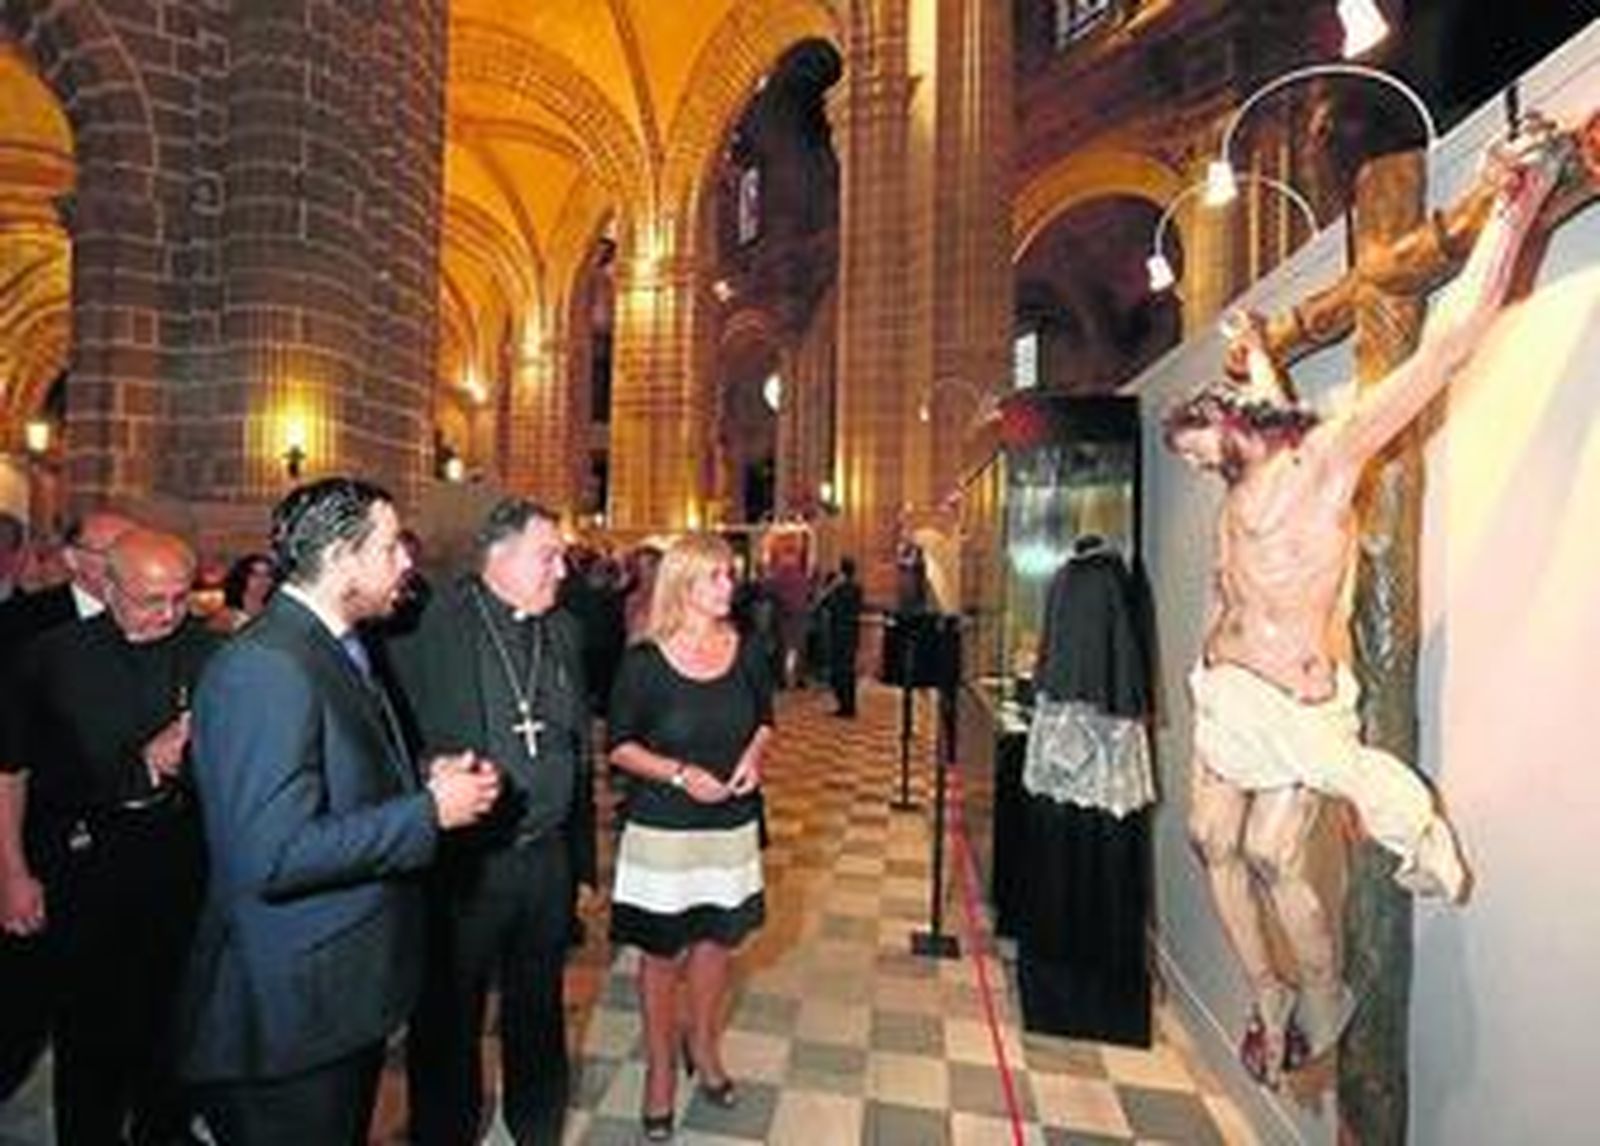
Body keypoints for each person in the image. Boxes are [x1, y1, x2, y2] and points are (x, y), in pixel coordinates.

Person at [1163, 122, 1567, 1088]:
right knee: (1211, 836)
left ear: (1227, 430)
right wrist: (1258, 345)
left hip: (1295, 706)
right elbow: (1267, 403)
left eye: (1194, 448)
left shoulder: (1330, 455)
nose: (1196, 464)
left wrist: (1512, 210)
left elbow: (1446, 347)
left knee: (1270, 852)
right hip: (1226, 695)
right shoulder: (1256, 453)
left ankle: (1324, 992)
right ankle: (1265, 992)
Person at [176, 477, 501, 1144]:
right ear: (340, 557)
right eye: (388, 548)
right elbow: (270, 853)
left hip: (336, 991)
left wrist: (419, 777)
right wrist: (427, 814)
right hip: (288, 1010)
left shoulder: (331, 642)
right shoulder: (266, 666)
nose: (407, 560)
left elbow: (333, 772)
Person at [386, 498, 597, 1145]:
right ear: (497, 557)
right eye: (548, 555)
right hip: (465, 862)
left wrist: (579, 855)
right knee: (450, 1014)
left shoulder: (561, 631)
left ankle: (537, 1130)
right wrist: (425, 773)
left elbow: (573, 745)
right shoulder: (426, 627)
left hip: (544, 858)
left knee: (538, 1009)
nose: (562, 569)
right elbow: (390, 734)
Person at [1, 528, 220, 1143]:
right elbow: (10, 771)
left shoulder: (212, 652)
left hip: (184, 869)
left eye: (182, 598)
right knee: (90, 1037)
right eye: (153, 599)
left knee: (175, 1032)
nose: (169, 615)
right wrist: (11, 873)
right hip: (83, 867)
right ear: (106, 584)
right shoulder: (51, 657)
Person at [607, 533, 772, 1142]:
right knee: (661, 954)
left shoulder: (747, 648)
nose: (730, 586)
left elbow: (764, 720)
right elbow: (619, 745)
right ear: (683, 585)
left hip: (729, 822)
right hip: (664, 828)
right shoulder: (644, 661)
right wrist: (680, 774)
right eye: (716, 578)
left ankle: (703, 1048)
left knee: (716, 942)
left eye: (730, 575)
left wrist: (755, 755)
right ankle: (658, 1071)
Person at [0, 508, 135, 1102]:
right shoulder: (19, 628)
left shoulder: (149, 621)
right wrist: (12, 872)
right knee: (19, 1009)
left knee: (102, 1019)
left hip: (122, 864)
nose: (127, 562)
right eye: (114, 551)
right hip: (39, 850)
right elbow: (7, 761)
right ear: (75, 560)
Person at [817, 556, 864, 717]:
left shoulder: (839, 589)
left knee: (839, 671)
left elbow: (823, 603)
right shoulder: (858, 588)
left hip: (839, 634)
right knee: (849, 671)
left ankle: (845, 706)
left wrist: (831, 587)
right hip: (852, 633)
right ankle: (850, 705)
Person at [213, 551, 277, 632]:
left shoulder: (276, 614)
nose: (262, 581)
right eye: (255, 575)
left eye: (267, 575)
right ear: (243, 578)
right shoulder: (226, 618)